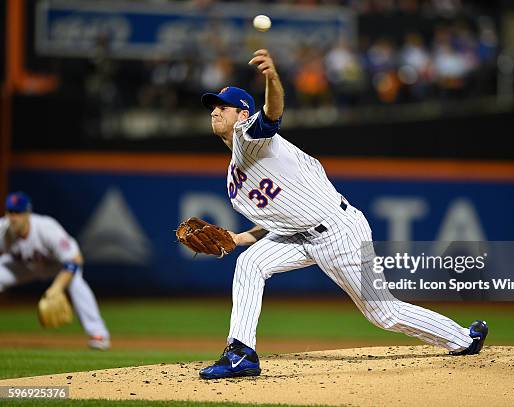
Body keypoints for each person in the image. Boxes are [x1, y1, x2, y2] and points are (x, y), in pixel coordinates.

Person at [198, 49, 488, 380]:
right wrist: (238, 238)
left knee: (383, 313)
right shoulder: (235, 176)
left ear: (243, 113)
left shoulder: (248, 136)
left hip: (339, 231)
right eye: (212, 107)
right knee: (250, 263)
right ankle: (240, 353)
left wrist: (273, 79)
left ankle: (463, 339)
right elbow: (276, 222)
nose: (215, 111)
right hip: (300, 236)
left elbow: (272, 114)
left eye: (223, 107)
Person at [0, 192, 111, 350]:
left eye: (17, 212)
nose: (13, 217)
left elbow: (75, 259)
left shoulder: (46, 228)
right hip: (23, 266)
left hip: (57, 267)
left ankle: (98, 334)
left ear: (27, 213)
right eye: (10, 212)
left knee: (76, 282)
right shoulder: (3, 230)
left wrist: (56, 288)